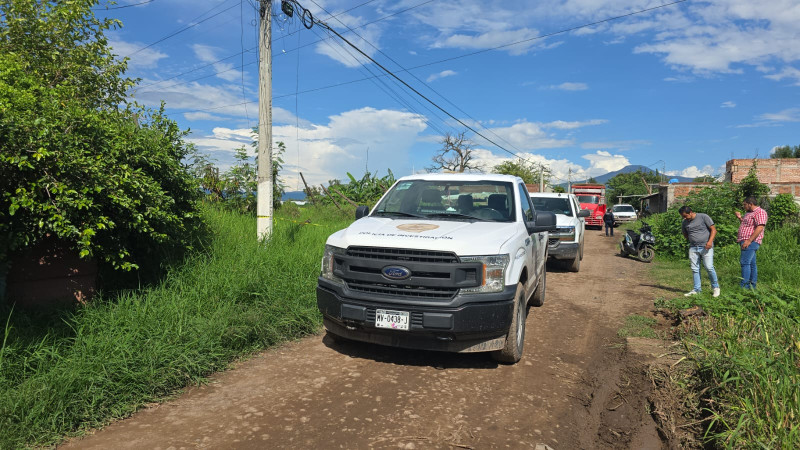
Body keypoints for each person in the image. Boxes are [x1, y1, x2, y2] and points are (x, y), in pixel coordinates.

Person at [679, 206, 720, 297]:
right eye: (683, 217)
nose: (685, 218)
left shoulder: (703, 217)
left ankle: (716, 287)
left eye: (686, 216)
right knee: (695, 269)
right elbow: (685, 233)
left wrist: (710, 242)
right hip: (693, 248)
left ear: (691, 212)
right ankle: (697, 289)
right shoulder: (685, 222)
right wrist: (691, 239)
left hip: (706, 247)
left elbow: (713, 230)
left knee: (709, 267)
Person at [735, 197, 768, 289]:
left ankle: (744, 287)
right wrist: (740, 218)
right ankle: (752, 286)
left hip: (750, 241)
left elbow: (760, 227)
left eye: (744, 204)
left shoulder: (760, 212)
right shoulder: (749, 213)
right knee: (751, 264)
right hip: (746, 241)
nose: (744, 206)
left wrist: (749, 241)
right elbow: (747, 225)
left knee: (745, 263)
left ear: (750, 204)